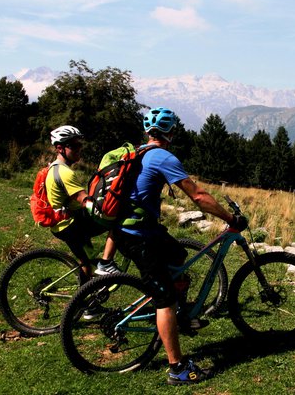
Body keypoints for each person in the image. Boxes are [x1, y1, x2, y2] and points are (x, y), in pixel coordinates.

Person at [114, 107, 247, 385]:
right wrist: (229, 217)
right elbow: (198, 196)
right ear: (171, 132)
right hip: (139, 235)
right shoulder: (163, 156)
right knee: (165, 301)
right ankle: (177, 368)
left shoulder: (138, 152)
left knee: (178, 255)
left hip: (132, 229)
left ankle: (182, 315)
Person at [47, 126, 119, 284]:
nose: (79, 149)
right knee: (118, 222)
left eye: (79, 144)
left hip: (61, 224)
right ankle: (106, 264)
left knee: (86, 264)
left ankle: (85, 301)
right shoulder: (65, 173)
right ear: (60, 148)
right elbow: (85, 201)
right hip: (71, 225)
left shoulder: (53, 168)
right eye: (74, 146)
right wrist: (107, 210)